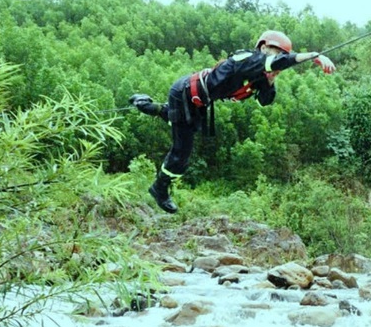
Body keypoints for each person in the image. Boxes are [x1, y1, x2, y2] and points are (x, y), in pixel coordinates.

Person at [129, 30, 336, 213]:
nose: (281, 59)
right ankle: (160, 187)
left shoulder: (261, 75)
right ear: (263, 48)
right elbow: (277, 62)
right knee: (181, 152)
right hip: (184, 92)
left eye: (283, 55)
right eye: (278, 52)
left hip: (198, 102)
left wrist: (271, 79)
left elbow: (265, 101)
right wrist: (313, 56)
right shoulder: (247, 59)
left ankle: (147, 105)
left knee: (183, 123)